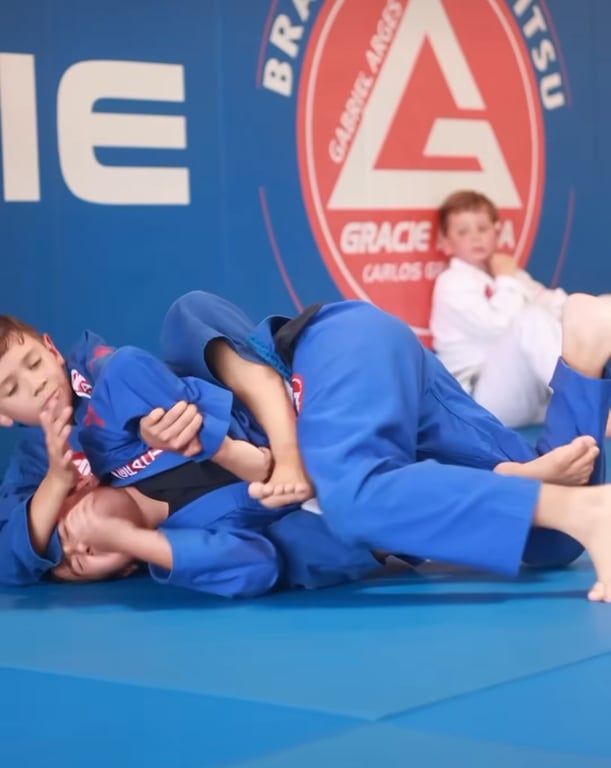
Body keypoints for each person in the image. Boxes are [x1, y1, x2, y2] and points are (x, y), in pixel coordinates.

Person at [155, 289, 611, 601]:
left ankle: (588, 510)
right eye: (82, 565)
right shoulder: (195, 544)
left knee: (352, 498)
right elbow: (344, 546)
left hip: (337, 354)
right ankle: (587, 351)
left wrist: (289, 458)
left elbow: (200, 318)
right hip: (395, 450)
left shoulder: (144, 403)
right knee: (552, 544)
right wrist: (500, 480)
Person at [0, 315, 310, 586]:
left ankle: (240, 451)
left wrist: (145, 425)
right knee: (309, 549)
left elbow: (126, 370)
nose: (36, 385)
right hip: (289, 492)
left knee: (188, 315)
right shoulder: (34, 463)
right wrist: (57, 484)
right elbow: (8, 560)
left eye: (34, 363)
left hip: (250, 418)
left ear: (53, 351)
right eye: (11, 389)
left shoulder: (94, 392)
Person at [50, 343, 379, 596]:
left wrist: (219, 448)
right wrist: (131, 539)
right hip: (352, 478)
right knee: (296, 548)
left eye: (66, 531)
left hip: (308, 407)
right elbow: (258, 566)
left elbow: (125, 368)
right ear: (125, 569)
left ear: (79, 488)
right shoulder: (182, 541)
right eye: (78, 563)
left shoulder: (111, 450)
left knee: (189, 313)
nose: (79, 545)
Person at [430, 189, 579, 427]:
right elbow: (499, 327)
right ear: (445, 243)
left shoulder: (512, 275)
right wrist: (506, 279)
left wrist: (592, 310)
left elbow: (555, 306)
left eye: (482, 228)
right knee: (530, 320)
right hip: (481, 400)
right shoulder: (451, 283)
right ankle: (587, 408)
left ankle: (594, 402)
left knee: (594, 311)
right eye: (463, 232)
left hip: (532, 395)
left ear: (496, 233)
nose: (475, 237)